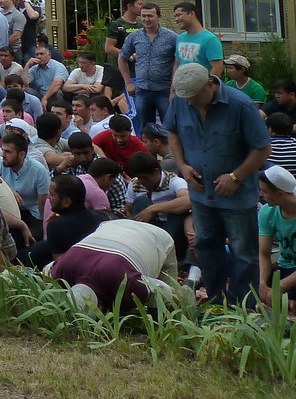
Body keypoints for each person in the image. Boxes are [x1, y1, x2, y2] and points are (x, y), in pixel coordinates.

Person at [166, 62, 271, 305]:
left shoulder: (241, 105)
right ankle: (215, 302)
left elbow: (263, 148)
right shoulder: (182, 101)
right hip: (201, 193)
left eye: (194, 96)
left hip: (237, 196)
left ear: (210, 84)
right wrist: (182, 165)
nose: (189, 102)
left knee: (243, 252)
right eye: (186, 97)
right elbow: (172, 131)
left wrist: (236, 177)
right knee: (205, 246)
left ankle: (242, 307)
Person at [49, 218, 181, 310]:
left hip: (157, 237)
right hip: (112, 225)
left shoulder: (128, 284)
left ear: (100, 308)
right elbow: (45, 276)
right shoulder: (62, 270)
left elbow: (174, 295)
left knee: (162, 310)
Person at [117, 2, 177, 130]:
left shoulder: (172, 37)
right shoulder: (134, 36)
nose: (146, 19)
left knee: (169, 127)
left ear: (159, 17)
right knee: (145, 128)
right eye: (143, 16)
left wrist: (174, 87)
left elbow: (179, 61)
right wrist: (128, 82)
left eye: (150, 16)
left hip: (164, 90)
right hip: (143, 89)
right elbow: (122, 58)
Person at [257, 164, 296, 311]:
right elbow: (263, 253)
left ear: (280, 194)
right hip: (284, 267)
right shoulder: (267, 212)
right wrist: (262, 283)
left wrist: (281, 286)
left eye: (265, 191)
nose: (261, 195)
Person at [172, 1, 224, 75]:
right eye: (175, 17)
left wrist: (207, 82)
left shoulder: (210, 39)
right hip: (181, 82)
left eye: (179, 15)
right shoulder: (180, 38)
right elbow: (177, 64)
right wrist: (174, 82)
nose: (176, 19)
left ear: (192, 14)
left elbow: (217, 68)